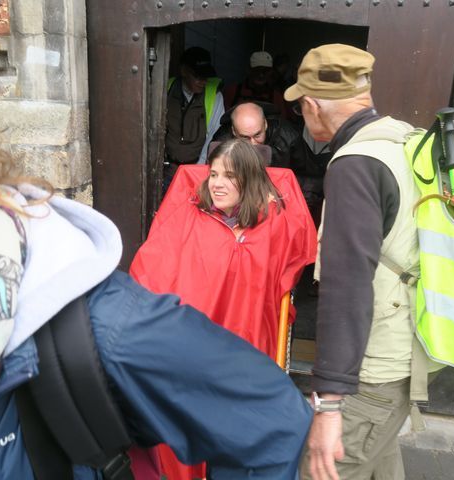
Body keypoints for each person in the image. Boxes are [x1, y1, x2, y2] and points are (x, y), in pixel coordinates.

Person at [0, 2, 315, 478]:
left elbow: (267, 419)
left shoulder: (94, 326)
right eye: (215, 176)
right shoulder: (189, 210)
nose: (220, 183)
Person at [284, 44, 444, 480]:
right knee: (379, 463)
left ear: (312, 106)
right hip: (406, 346)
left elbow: (347, 288)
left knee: (322, 470)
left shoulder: (356, 163)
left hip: (371, 369)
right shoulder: (404, 140)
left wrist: (329, 404)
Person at [131, 139, 317, 480]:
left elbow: (299, 252)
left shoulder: (273, 223)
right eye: (213, 174)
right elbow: (151, 269)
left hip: (247, 342)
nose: (217, 183)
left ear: (249, 180)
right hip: (194, 347)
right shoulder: (188, 217)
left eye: (229, 176)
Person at [212, 102, 330, 226]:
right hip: (236, 210)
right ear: (234, 132)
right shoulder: (222, 143)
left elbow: (311, 179)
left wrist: (293, 214)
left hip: (279, 206)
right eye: (245, 138)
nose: (253, 144)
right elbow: (213, 185)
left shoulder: (287, 136)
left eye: (258, 135)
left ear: (265, 124)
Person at [164, 46, 225, 192]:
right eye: (198, 76)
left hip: (197, 169)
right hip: (167, 169)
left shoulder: (214, 95)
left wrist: (199, 169)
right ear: (183, 71)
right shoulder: (166, 88)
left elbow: (214, 135)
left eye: (206, 76)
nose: (203, 81)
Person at [222, 51, 287, 118]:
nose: (261, 75)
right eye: (257, 70)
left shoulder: (276, 97)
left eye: (265, 71)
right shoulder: (232, 92)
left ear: (271, 72)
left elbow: (282, 123)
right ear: (249, 70)